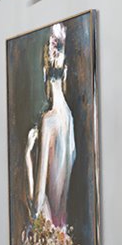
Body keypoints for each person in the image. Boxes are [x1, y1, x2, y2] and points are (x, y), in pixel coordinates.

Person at [23, 21, 76, 230]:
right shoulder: (69, 119)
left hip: (50, 234)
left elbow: (36, 204)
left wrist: (28, 155)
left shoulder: (49, 120)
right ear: (65, 71)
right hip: (63, 231)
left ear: (45, 72)